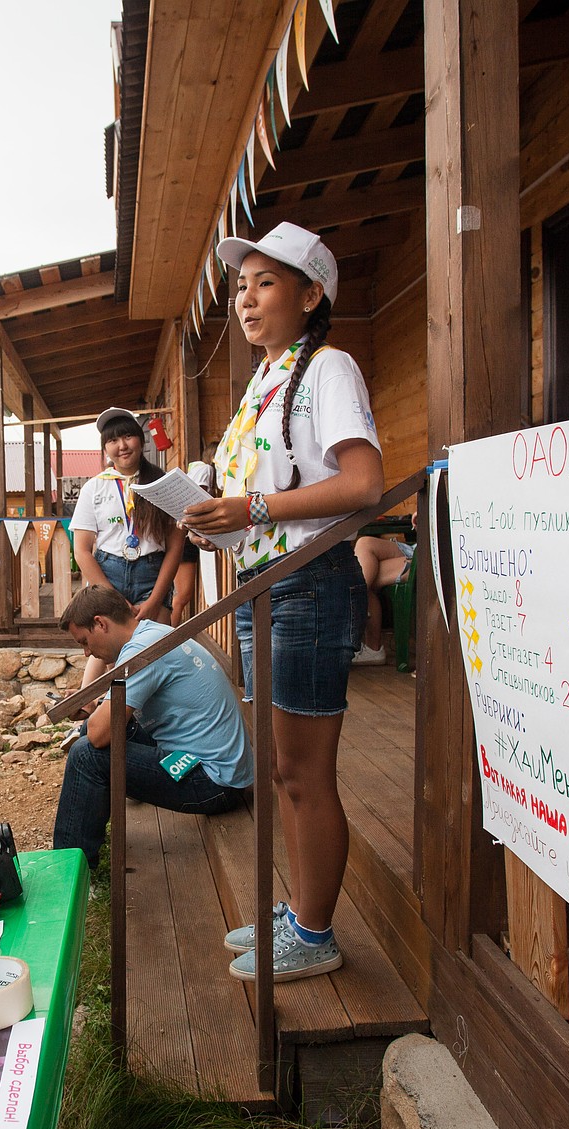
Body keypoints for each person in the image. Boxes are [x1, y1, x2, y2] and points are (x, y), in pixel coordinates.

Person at [183, 221, 383, 982]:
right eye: (242, 285)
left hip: (309, 583)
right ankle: (302, 909)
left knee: (305, 772)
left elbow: (363, 484)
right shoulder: (265, 379)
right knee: (281, 769)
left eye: (267, 282)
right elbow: (256, 498)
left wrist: (255, 511)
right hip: (263, 585)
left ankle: (317, 932)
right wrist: (217, 522)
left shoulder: (329, 368)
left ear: (310, 294)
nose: (247, 298)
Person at [52, 585, 252, 869]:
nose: (86, 653)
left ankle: (68, 871)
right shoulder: (151, 633)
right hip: (215, 765)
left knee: (86, 754)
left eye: (84, 641)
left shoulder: (141, 653)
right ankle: (85, 848)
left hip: (214, 781)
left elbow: (99, 737)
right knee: (94, 732)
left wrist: (96, 717)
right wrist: (96, 710)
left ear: (100, 623)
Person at [68, 407, 185, 701]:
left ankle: (148, 719)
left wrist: (157, 598)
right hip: (108, 573)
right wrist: (112, 598)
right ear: (105, 447)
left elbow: (175, 547)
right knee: (102, 644)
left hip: (152, 574)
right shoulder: (94, 488)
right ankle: (88, 707)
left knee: (156, 647)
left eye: (129, 436)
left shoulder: (162, 483)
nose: (122, 446)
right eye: (113, 440)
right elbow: (82, 550)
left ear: (141, 439)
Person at [352, 513, 416, 665]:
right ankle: (352, 605)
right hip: (415, 547)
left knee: (364, 577)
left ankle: (372, 647)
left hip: (429, 556)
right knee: (364, 544)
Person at [170, 441, 219, 627]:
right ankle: (166, 642)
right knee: (181, 596)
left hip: (184, 535)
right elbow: (198, 501)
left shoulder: (198, 468)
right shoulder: (206, 470)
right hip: (187, 536)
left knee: (180, 596)